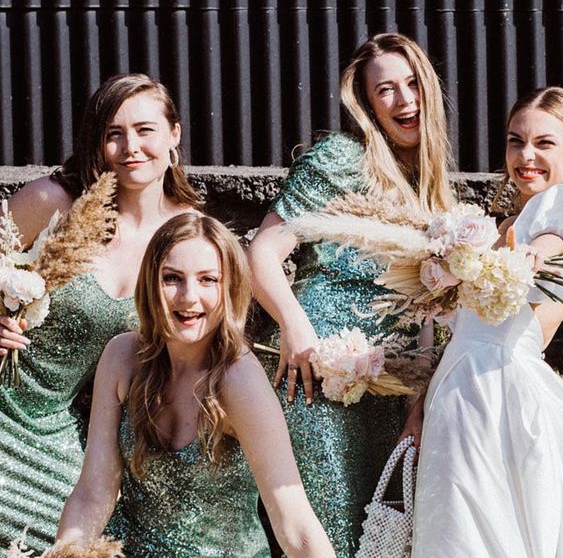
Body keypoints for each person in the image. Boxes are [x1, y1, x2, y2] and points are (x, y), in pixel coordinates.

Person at [247, 33, 455, 555]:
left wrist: (418, 398)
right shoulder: (341, 158)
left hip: (391, 391)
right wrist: (296, 330)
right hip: (319, 379)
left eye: (412, 85)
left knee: (384, 541)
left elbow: (425, 308)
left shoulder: (430, 187)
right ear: (367, 105)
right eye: (386, 91)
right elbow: (263, 254)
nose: (404, 100)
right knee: (328, 536)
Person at [411, 87, 563, 558]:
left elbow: (557, 235)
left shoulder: (557, 209)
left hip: (496, 396)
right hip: (458, 391)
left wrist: (533, 254)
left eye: (545, 143)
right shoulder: (498, 225)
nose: (526, 155)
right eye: (515, 141)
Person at [0, 73, 200, 552]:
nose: (130, 146)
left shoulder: (193, 236)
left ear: (174, 135)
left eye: (145, 130)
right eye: (114, 133)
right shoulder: (54, 202)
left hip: (76, 439)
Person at [56, 214, 334, 558]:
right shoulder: (122, 356)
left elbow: (293, 521)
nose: (189, 297)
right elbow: (92, 493)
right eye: (172, 278)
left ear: (229, 288)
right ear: (150, 283)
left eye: (208, 280)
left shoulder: (238, 378)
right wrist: (64, 553)